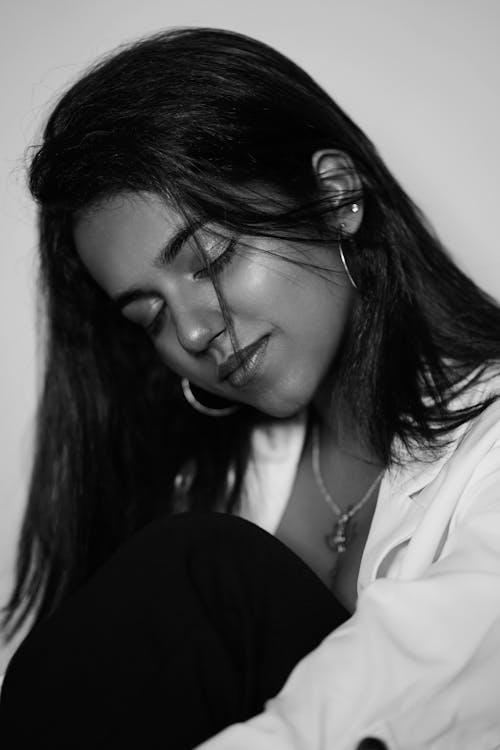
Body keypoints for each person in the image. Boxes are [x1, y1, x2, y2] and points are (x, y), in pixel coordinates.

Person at [1, 25, 500, 750]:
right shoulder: (203, 483)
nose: (194, 333)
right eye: (150, 315)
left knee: (199, 571)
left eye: (210, 258)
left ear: (336, 198)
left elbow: (448, 663)